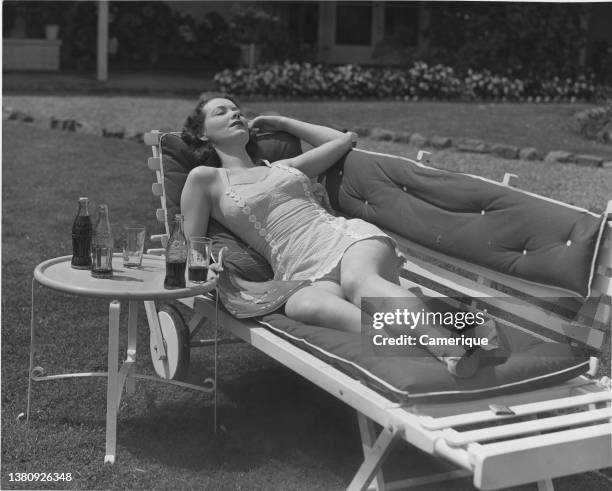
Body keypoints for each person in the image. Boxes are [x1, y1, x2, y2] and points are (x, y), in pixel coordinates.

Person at [181, 94, 504, 378]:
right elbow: (191, 241)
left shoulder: (285, 166)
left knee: (360, 283)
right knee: (303, 306)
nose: (235, 114)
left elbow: (343, 139)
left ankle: (447, 349)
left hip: (345, 241)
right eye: (221, 112)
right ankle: (435, 340)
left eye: (238, 110)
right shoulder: (206, 179)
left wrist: (282, 121)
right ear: (201, 133)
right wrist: (203, 267)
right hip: (300, 271)